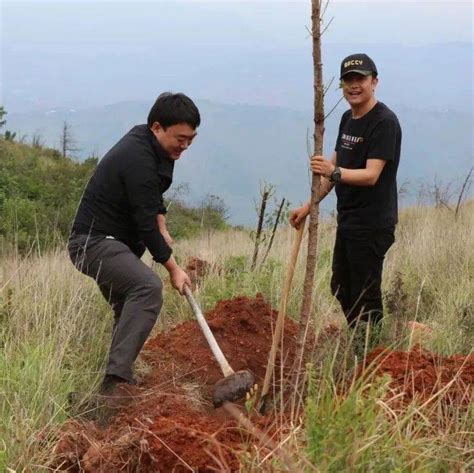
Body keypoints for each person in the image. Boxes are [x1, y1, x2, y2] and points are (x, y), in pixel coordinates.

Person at [68, 92, 199, 394]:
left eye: (190, 140)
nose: (185, 146)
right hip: (93, 243)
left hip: (114, 244)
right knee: (147, 287)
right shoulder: (137, 158)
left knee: (128, 305)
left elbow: (153, 199)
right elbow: (145, 224)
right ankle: (117, 383)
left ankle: (113, 387)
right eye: (180, 138)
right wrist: (174, 269)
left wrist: (162, 221)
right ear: (157, 127)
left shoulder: (156, 149)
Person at [290, 53, 401, 334]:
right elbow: (335, 166)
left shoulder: (384, 122)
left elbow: (371, 174)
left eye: (360, 79)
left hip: (373, 224)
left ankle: (370, 349)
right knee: (341, 286)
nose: (354, 86)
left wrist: (332, 172)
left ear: (374, 82)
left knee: (366, 293)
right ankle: (359, 338)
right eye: (348, 80)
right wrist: (309, 206)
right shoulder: (346, 119)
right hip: (349, 221)